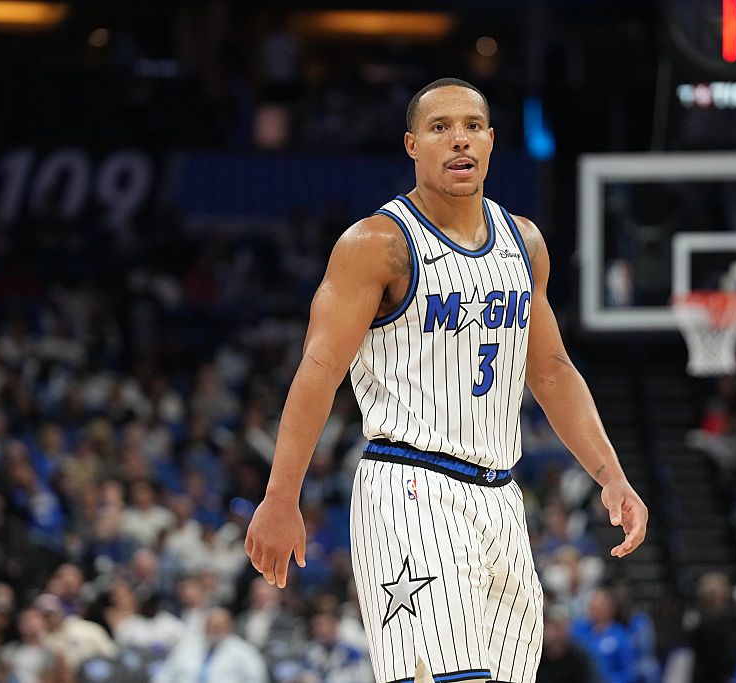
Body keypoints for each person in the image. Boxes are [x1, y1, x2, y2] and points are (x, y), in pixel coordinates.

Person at [244, 76, 648, 683]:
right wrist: (281, 496)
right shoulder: (377, 243)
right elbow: (319, 370)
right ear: (412, 145)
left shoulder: (524, 241)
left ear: (491, 141)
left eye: (472, 126)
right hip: (409, 488)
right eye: (440, 128)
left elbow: (552, 370)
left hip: (502, 501)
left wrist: (611, 476)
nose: (460, 139)